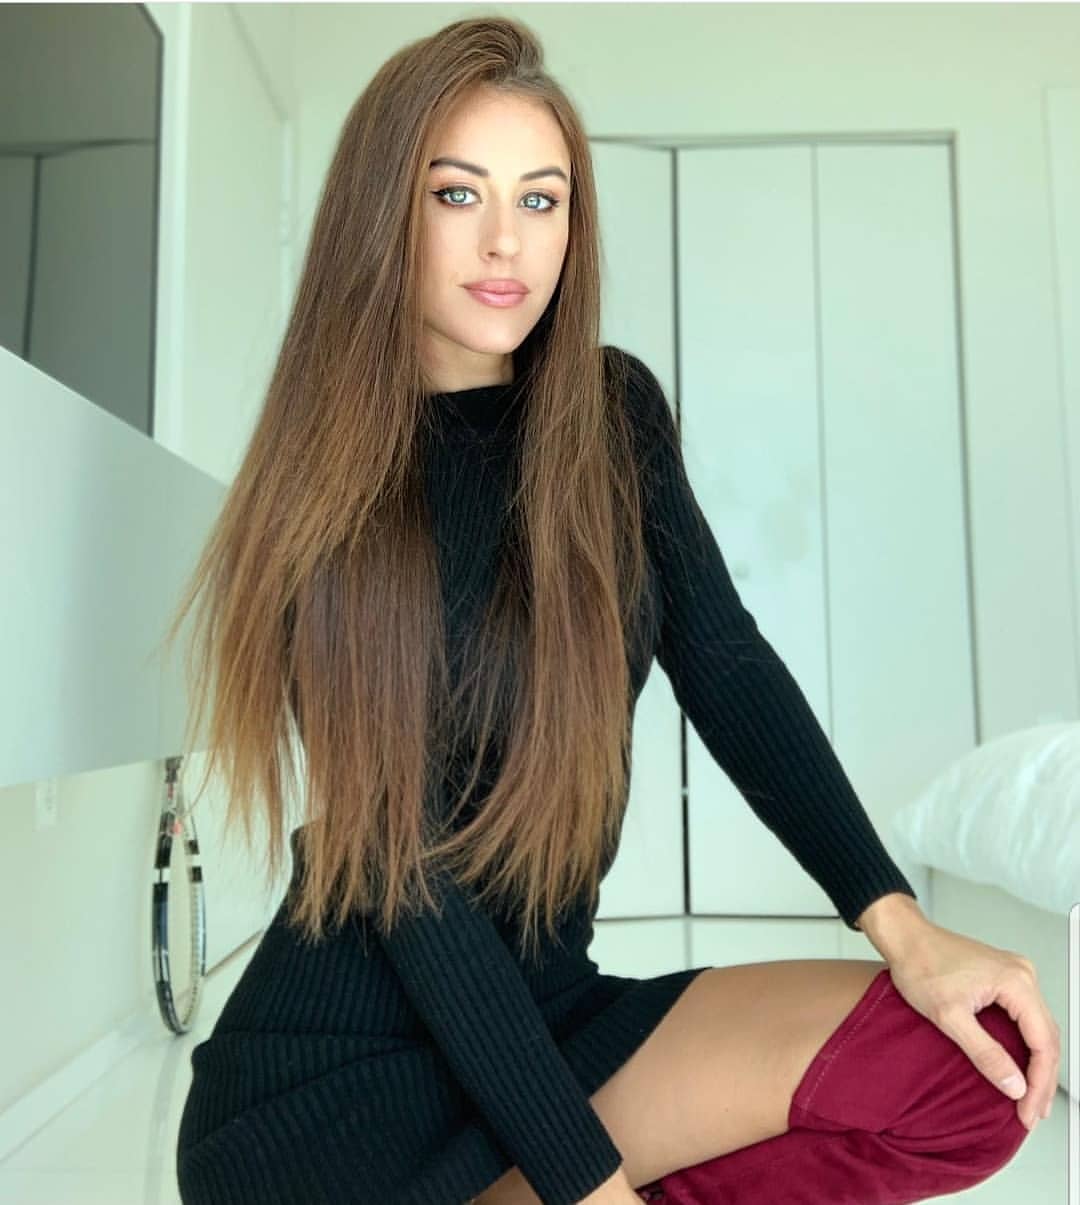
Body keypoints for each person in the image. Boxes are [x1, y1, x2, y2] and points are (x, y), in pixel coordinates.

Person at [170, 15, 1059, 1205]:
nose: (506, 240)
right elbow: (409, 880)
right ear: (383, 213)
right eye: (457, 194)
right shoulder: (326, 495)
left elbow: (727, 664)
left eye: (541, 199)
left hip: (552, 1010)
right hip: (331, 1094)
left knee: (968, 1067)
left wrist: (904, 925)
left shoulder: (609, 413)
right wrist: (587, 1184)